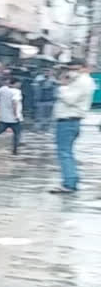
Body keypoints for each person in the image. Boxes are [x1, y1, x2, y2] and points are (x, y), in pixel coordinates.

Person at [50, 61, 96, 194]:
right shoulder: (79, 81)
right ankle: (71, 180)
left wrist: (62, 85)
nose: (70, 71)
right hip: (69, 121)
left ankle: (69, 183)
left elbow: (70, 99)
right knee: (67, 152)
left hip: (68, 121)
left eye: (73, 69)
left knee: (64, 153)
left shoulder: (82, 81)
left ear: (84, 68)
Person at [0, 77, 23, 155]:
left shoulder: (2, 89)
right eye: (19, 83)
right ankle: (15, 151)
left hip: (4, 117)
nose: (20, 85)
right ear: (15, 83)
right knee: (17, 134)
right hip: (14, 119)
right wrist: (16, 115)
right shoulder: (16, 91)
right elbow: (15, 103)